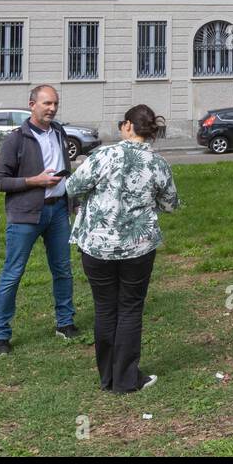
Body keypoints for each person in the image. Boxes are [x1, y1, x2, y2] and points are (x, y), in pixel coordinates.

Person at [66, 105, 179, 393]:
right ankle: (126, 379)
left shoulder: (103, 155)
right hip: (137, 248)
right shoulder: (157, 163)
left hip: (97, 246)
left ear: (128, 126)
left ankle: (108, 378)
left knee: (105, 309)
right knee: (130, 308)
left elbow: (73, 186)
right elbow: (170, 204)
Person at [0, 85, 78, 356]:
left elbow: (66, 170)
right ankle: (0, 336)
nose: (51, 108)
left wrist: (73, 200)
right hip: (25, 216)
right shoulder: (16, 139)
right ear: (32, 105)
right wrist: (34, 181)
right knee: (13, 273)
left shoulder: (60, 132)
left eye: (55, 104)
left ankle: (65, 323)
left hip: (58, 212)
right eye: (46, 103)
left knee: (63, 270)